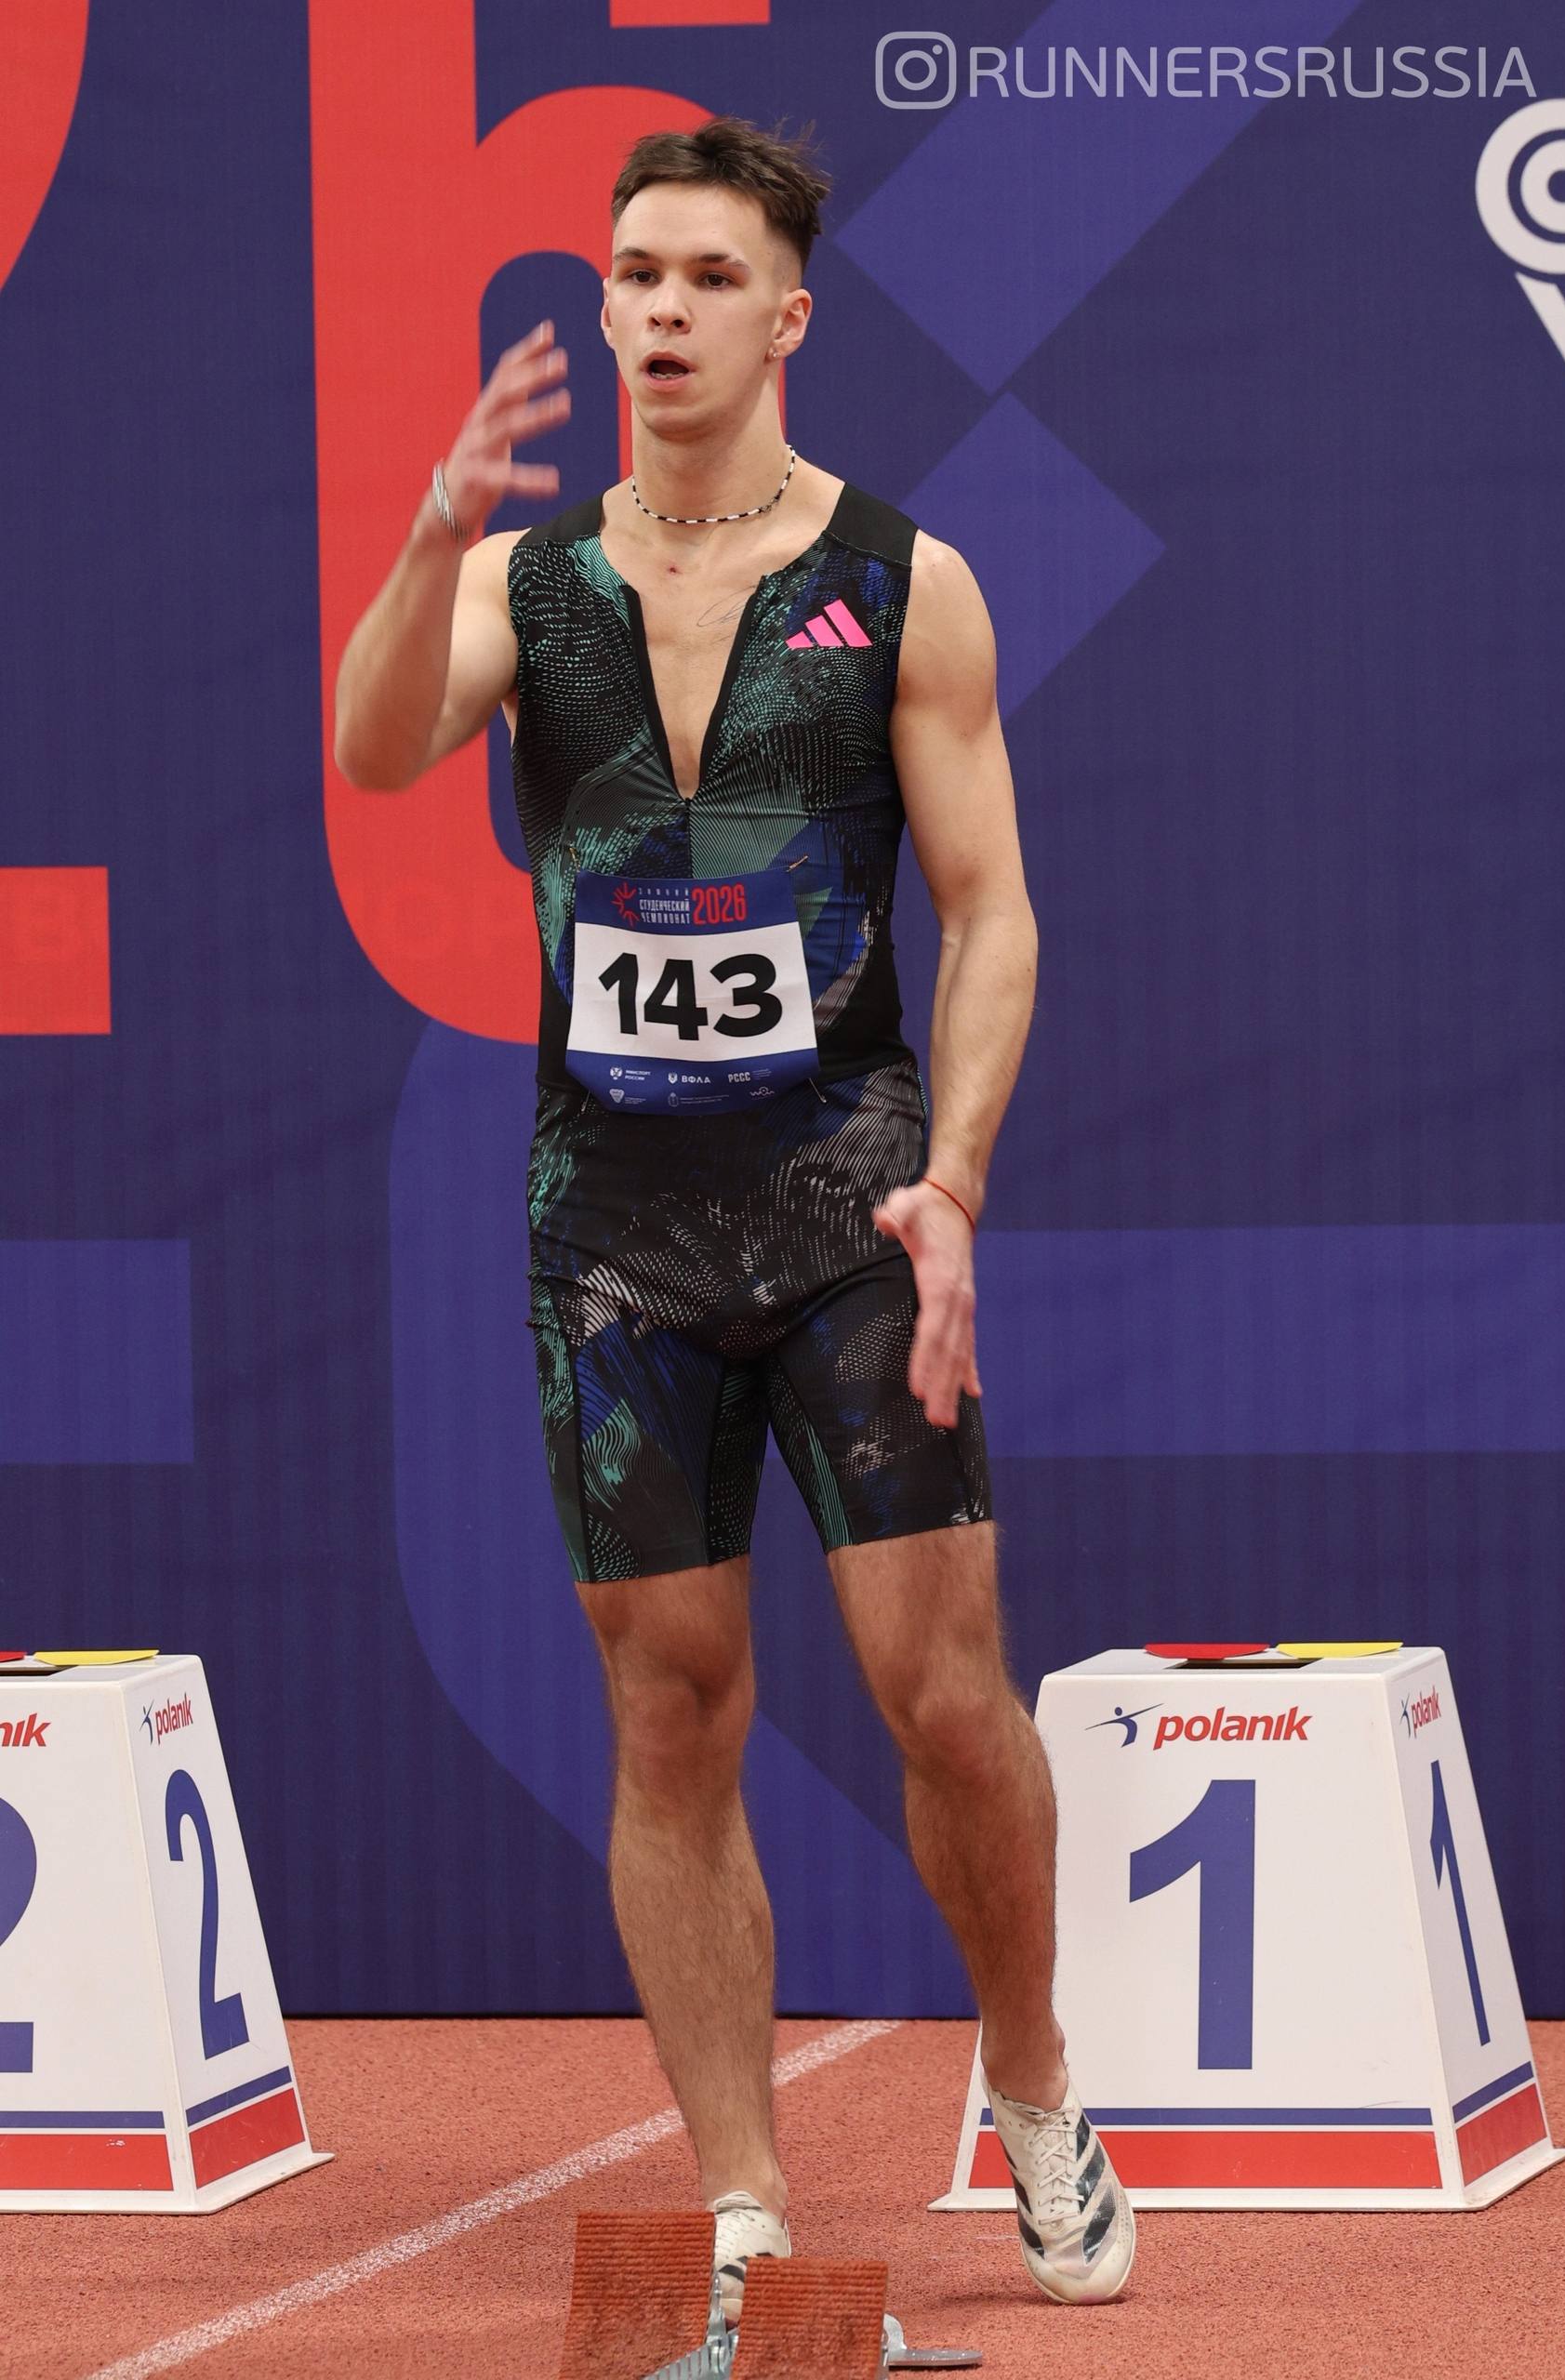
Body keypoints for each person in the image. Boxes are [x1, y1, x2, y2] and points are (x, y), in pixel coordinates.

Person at [334, 114, 1134, 2320]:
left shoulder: (901, 579)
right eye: (633, 274)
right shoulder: (525, 585)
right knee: (671, 1709)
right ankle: (746, 2202)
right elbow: (378, 749)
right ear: (599, 308)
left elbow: (988, 910)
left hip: (855, 1205)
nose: (662, 310)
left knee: (938, 1691)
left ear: (785, 314)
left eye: (705, 277)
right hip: (612, 1224)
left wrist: (952, 1183)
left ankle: (1033, 2076)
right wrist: (427, 532)